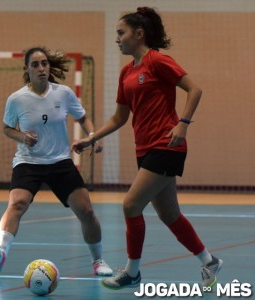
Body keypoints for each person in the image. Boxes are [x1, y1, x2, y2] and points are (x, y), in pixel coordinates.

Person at [72, 7, 223, 289]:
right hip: (144, 150)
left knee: (130, 205)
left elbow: (195, 89)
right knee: (169, 215)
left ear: (138, 34)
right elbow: (120, 117)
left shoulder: (157, 61)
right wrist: (90, 138)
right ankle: (209, 261)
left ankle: (133, 271)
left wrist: (183, 123)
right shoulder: (126, 73)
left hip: (166, 146)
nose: (117, 39)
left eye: (121, 33)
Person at [0, 46, 112, 277]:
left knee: (86, 210)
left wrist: (93, 138)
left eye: (44, 63)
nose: (42, 68)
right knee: (17, 203)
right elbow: (6, 129)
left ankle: (98, 261)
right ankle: (1, 251)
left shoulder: (63, 93)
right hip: (28, 162)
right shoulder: (17, 99)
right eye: (35, 64)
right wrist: (22, 137)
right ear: (27, 69)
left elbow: (83, 118)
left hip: (60, 162)